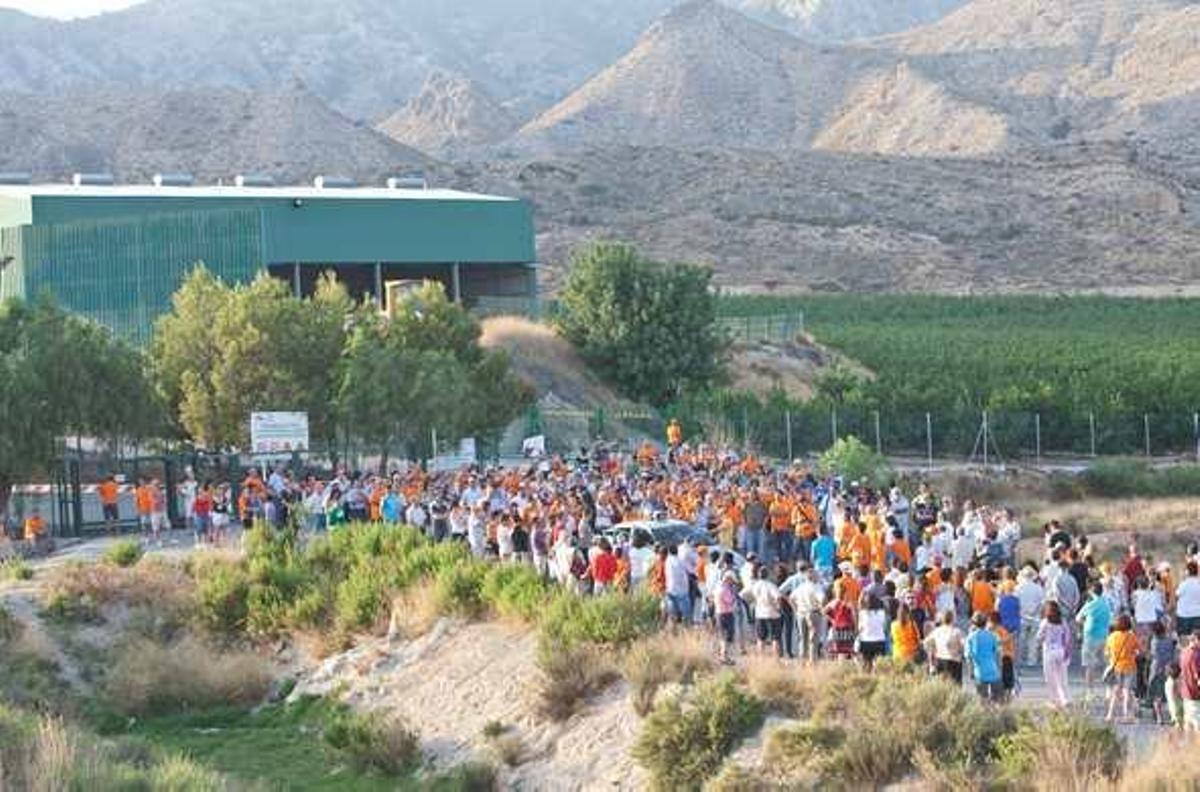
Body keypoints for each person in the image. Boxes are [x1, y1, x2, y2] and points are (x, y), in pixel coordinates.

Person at [1076, 582, 1113, 703]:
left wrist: (1084, 624)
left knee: (1089, 665)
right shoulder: (1106, 603)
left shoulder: (1090, 604)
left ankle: (1090, 692)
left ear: (1092, 591)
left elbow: (1078, 618)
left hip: (1091, 635)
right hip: (1105, 636)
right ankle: (1109, 691)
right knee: (1107, 664)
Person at [1104, 614, 1140, 722]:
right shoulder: (1131, 636)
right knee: (1126, 691)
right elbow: (1137, 651)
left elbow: (1107, 652)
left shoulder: (1112, 637)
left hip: (1116, 667)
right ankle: (1127, 715)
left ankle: (1110, 714)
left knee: (1115, 691)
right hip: (1130, 666)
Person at [1038, 600, 1073, 708]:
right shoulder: (1063, 621)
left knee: (1050, 678)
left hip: (1048, 651)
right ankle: (1065, 699)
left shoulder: (1045, 622)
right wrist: (1068, 651)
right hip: (1060, 650)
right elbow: (1068, 638)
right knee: (1062, 677)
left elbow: (1039, 637)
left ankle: (1054, 700)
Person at [965, 611, 1002, 701]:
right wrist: (999, 668)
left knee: (982, 699)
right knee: (996, 701)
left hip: (979, 671)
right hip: (993, 670)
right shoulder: (992, 635)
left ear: (973, 623)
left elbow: (968, 656)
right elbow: (997, 653)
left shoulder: (971, 637)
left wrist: (970, 671)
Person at [748, 565, 784, 656]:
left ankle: (761, 658)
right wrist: (778, 608)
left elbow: (746, 595)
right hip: (772, 613)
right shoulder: (771, 585)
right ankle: (776, 658)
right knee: (775, 638)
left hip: (759, 613)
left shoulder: (755, 585)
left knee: (760, 638)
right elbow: (778, 597)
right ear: (767, 575)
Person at [1147, 619, 1178, 725]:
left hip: (1156, 669)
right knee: (1168, 694)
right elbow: (1174, 654)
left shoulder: (1154, 641)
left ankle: (1159, 717)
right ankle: (1171, 715)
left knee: (1157, 694)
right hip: (1168, 669)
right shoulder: (1170, 641)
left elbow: (1153, 655)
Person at [924, 610, 965, 684]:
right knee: (956, 687)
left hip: (940, 661)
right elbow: (964, 644)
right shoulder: (956, 631)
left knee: (943, 685)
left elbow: (926, 642)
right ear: (953, 619)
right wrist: (960, 652)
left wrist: (934, 650)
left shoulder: (937, 631)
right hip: (954, 661)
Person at [857, 592, 888, 671]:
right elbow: (884, 627)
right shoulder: (882, 613)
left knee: (865, 664)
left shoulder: (862, 613)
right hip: (879, 641)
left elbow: (859, 628)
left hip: (865, 641)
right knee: (877, 665)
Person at [715, 570, 739, 665]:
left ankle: (723, 656)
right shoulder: (725, 589)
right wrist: (734, 594)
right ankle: (725, 657)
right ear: (728, 579)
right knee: (727, 637)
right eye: (732, 581)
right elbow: (730, 600)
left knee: (722, 636)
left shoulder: (718, 587)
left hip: (719, 613)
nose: (732, 583)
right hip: (726, 614)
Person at [1183, 632, 1200, 733]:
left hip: (1185, 690)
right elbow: (1197, 676)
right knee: (1197, 720)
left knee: (1188, 720)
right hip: (1195, 692)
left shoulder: (1184, 651)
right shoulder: (1196, 655)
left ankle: (1188, 745)